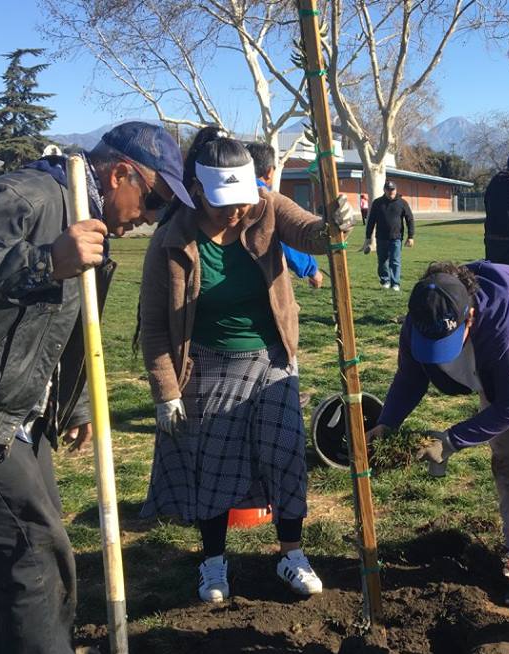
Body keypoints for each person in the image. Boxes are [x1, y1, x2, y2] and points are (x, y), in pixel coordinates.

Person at [0, 121, 190, 654]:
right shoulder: (29, 199)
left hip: (18, 411)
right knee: (32, 553)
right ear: (120, 174)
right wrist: (43, 262)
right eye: (155, 198)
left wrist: (79, 403)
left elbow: (63, 325)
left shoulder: (88, 221)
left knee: (48, 555)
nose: (152, 216)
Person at [138, 127, 354, 603]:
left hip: (273, 358)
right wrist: (166, 391)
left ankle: (291, 554)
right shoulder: (170, 241)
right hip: (207, 364)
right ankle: (213, 563)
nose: (237, 212)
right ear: (196, 191)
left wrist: (339, 222)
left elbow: (313, 233)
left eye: (242, 199)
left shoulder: (267, 207)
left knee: (286, 455)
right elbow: (154, 324)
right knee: (212, 466)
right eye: (223, 203)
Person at [367, 260, 509, 608]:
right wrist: (387, 423)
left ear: (471, 318)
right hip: (506, 363)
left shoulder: (507, 329)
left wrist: (450, 441)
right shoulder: (424, 314)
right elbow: (411, 375)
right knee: (506, 457)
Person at [246, 142, 324, 289]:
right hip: (259, 284)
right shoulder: (266, 201)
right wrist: (311, 269)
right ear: (269, 172)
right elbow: (285, 242)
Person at [363, 179, 415, 291]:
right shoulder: (377, 203)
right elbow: (371, 221)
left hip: (396, 238)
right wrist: (368, 237)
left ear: (396, 190)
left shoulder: (402, 203)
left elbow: (409, 219)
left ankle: (395, 283)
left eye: (393, 190)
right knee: (382, 261)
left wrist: (410, 236)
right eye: (389, 190)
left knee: (395, 261)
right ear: (384, 190)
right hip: (381, 238)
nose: (391, 192)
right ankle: (385, 280)